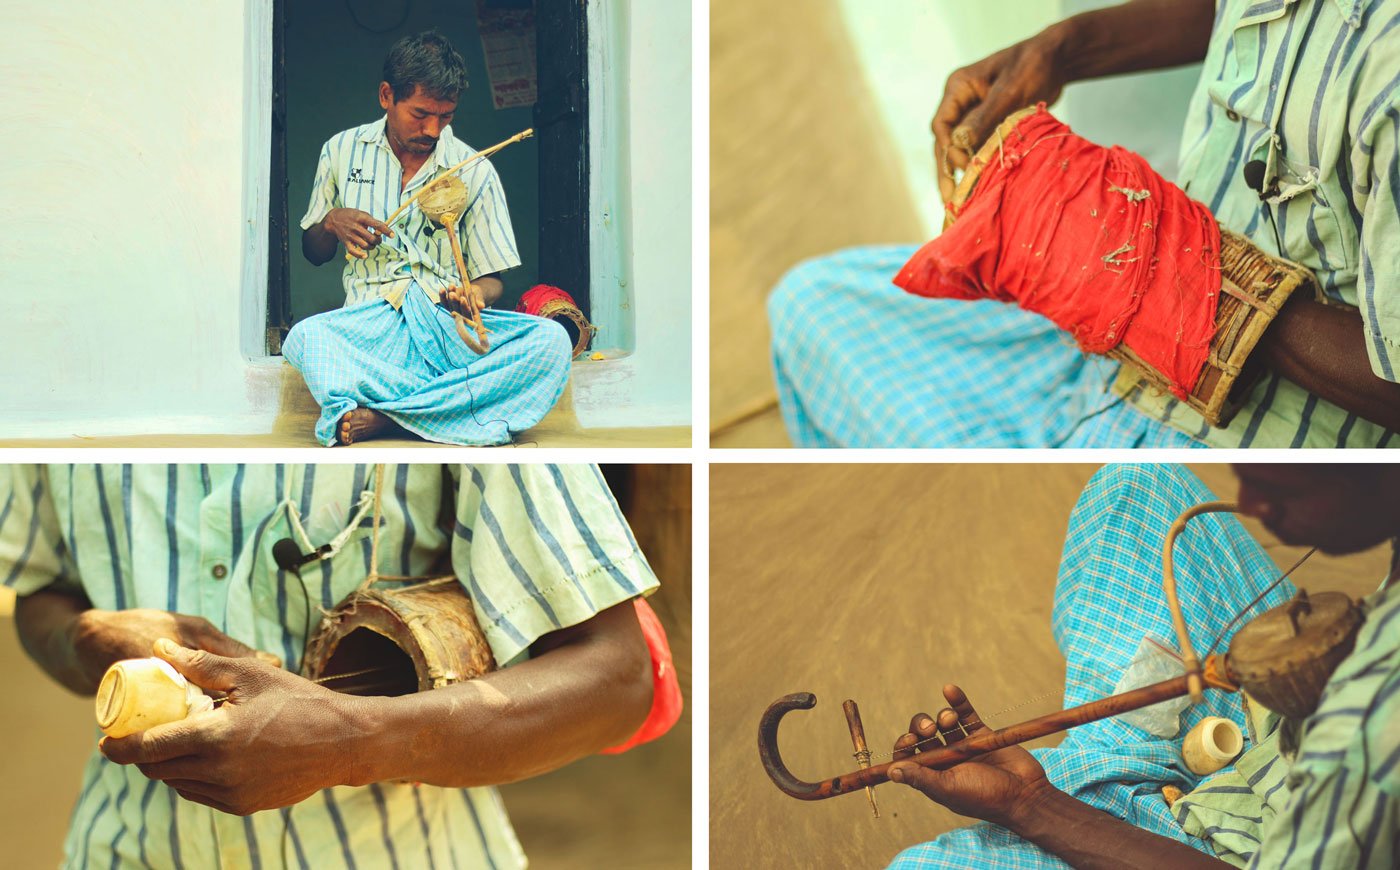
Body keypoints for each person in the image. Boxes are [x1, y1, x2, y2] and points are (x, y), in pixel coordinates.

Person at [769, 0, 1400, 448]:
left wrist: (1191, 289)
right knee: (809, 305)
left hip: (1231, 436)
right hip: (1101, 348)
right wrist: (1063, 49)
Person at [1, 464, 660, 868]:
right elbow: (37, 587)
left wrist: (352, 744)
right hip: (119, 851)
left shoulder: (448, 380)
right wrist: (80, 638)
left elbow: (619, 675)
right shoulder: (56, 379)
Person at [883, 463, 1398, 867]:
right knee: (1138, 486)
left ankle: (1114, 774)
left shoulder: (1372, 724)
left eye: (1280, 485)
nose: (1249, 504)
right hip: (1279, 719)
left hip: (1247, 838)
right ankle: (1124, 759)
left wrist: (1029, 803)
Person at [284, 30, 572, 446]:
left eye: (446, 116)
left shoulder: (473, 168)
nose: (433, 130)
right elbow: (314, 252)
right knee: (306, 339)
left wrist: (474, 294)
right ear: (387, 96)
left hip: (445, 326)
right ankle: (448, 412)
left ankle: (392, 419)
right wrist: (331, 223)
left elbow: (493, 279)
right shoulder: (341, 151)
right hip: (369, 330)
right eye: (421, 114)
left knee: (550, 343)